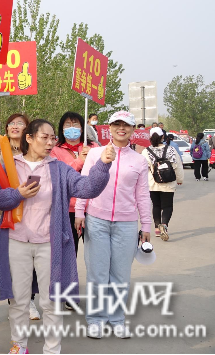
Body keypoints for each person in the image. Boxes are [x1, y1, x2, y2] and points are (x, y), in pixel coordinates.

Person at [0, 119, 114, 355]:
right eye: (43, 137)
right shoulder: (10, 165)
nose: (49, 142)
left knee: (51, 301)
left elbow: (86, 188)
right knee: (19, 300)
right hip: (16, 242)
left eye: (52, 138)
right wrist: (18, 194)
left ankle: (52, 349)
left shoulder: (59, 169)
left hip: (49, 244)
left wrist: (102, 165)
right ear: (29, 138)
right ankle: (19, 345)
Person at [75, 111, 152, 340]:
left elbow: (142, 195)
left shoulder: (139, 160)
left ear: (132, 129)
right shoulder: (97, 153)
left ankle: (117, 319)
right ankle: (96, 320)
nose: (121, 128)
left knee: (120, 275)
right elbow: (85, 183)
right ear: (109, 127)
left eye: (126, 125)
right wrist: (80, 211)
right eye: (117, 124)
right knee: (98, 273)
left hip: (126, 224)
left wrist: (146, 225)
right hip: (96, 220)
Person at [0, 114, 42, 321]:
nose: (14, 127)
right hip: (2, 214)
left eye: (20, 123)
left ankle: (30, 300)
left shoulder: (33, 151)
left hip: (29, 213)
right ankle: (14, 303)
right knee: (8, 261)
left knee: (31, 259)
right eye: (11, 124)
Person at [49, 112, 97, 259]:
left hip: (93, 207)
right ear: (61, 129)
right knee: (69, 251)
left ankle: (97, 281)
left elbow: (102, 174)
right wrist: (79, 161)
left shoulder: (93, 147)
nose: (72, 128)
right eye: (67, 125)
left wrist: (92, 157)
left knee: (95, 252)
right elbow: (58, 175)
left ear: (82, 128)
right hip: (67, 207)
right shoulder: (54, 150)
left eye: (75, 125)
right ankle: (70, 280)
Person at [143, 127, 183, 242]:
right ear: (163, 137)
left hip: (152, 183)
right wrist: (180, 179)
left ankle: (156, 228)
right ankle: (164, 225)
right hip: (168, 182)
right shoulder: (171, 150)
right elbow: (178, 165)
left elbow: (142, 168)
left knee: (156, 206)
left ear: (150, 137)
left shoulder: (146, 151)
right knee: (167, 206)